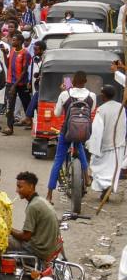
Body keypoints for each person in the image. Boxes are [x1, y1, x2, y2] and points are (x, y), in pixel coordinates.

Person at [46, 70, 94, 203]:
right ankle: (87, 178)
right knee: (79, 146)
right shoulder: (92, 96)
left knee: (58, 160)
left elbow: (57, 113)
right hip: (83, 132)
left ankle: (49, 194)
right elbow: (91, 110)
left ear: (72, 82)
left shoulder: (64, 94)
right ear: (85, 81)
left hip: (67, 132)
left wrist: (63, 94)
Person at [9, 171, 60, 262]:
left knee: (0, 241)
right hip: (48, 249)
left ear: (30, 187)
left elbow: (26, 236)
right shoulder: (40, 201)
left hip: (37, 251)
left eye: (20, 187)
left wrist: (7, 229)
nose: (17, 190)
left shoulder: (33, 206)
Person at [89, 85, 125, 199]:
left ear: (104, 96)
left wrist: (93, 146)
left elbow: (96, 131)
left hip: (107, 145)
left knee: (101, 169)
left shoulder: (101, 110)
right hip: (118, 145)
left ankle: (106, 190)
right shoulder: (121, 107)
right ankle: (107, 190)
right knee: (111, 170)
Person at [3, 33, 32, 136]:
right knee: (9, 105)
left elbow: (24, 72)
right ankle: (9, 127)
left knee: (26, 103)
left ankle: (29, 120)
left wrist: (15, 85)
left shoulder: (25, 54)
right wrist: (3, 54)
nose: (12, 41)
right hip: (10, 82)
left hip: (21, 83)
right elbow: (8, 65)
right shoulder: (12, 51)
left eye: (14, 40)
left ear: (20, 42)